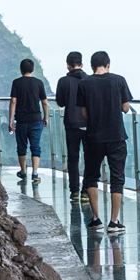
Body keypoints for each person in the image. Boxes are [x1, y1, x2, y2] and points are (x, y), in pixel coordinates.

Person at [76, 50, 133, 233]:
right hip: (116, 136)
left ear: (92, 67)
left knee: (92, 176)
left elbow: (84, 113)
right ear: (108, 64)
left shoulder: (84, 83)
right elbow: (125, 108)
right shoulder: (119, 80)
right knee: (117, 178)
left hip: (94, 136)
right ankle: (114, 221)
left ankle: (95, 218)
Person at [7, 58, 49, 183]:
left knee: (22, 146)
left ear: (21, 70)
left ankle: (23, 171)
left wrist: (10, 121)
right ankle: (35, 173)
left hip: (21, 120)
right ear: (33, 69)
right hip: (36, 119)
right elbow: (45, 102)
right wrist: (45, 117)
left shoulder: (16, 83)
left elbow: (13, 101)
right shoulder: (39, 83)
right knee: (35, 146)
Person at [54, 50, 89, 190]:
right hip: (89, 124)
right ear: (82, 64)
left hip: (71, 123)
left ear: (67, 65)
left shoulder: (63, 81)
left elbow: (60, 102)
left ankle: (74, 190)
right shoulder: (89, 80)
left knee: (73, 158)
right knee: (89, 158)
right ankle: (86, 190)